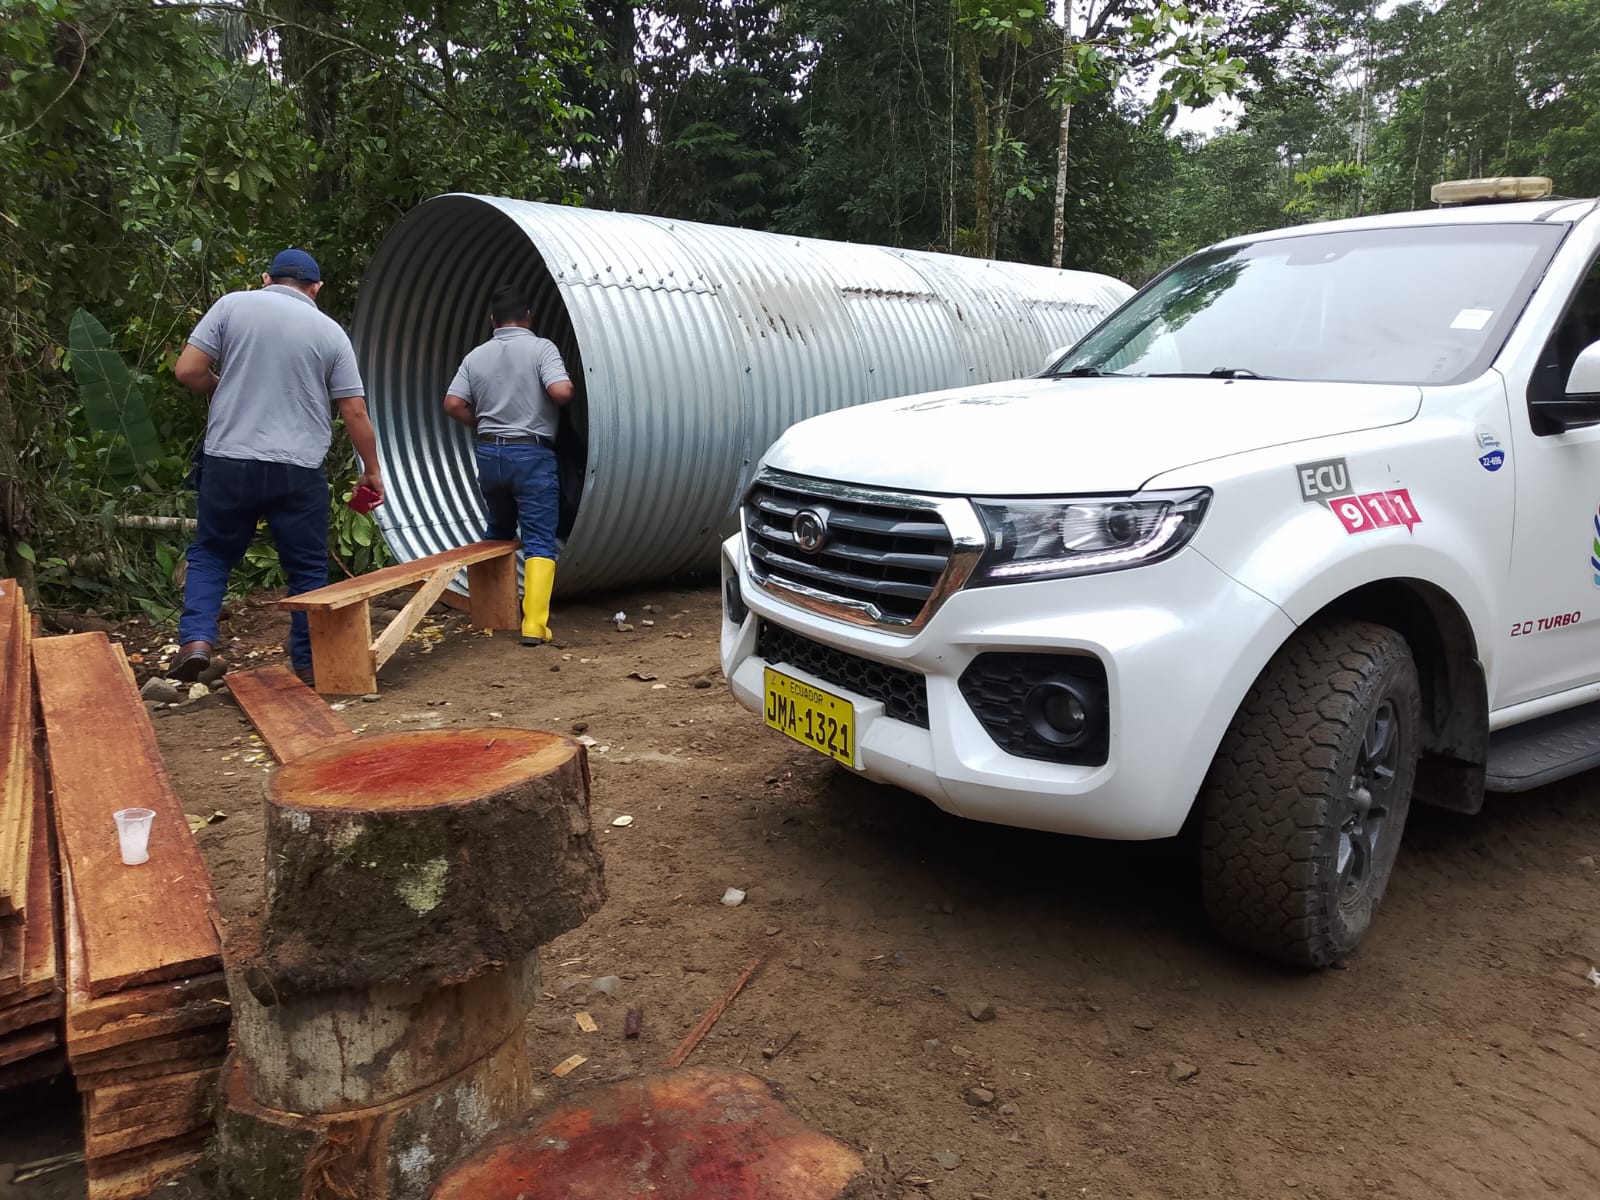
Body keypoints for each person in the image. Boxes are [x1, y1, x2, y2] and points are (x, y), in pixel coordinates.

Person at [171, 248, 384, 684]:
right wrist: (372, 470)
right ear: (315, 288)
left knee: (212, 553)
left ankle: (196, 641)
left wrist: (221, 386)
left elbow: (188, 370)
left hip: (230, 460)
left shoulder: (232, 305)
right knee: (306, 567)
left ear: (267, 279)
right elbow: (354, 410)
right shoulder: (330, 332)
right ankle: (307, 664)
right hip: (297, 469)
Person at [442, 285, 574, 645]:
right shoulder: (541, 348)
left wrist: (481, 424)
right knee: (539, 538)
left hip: (489, 455)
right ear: (528, 317)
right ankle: (534, 625)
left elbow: (452, 403)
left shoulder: (476, 356)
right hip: (531, 454)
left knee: (499, 529)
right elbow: (561, 391)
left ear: (492, 320)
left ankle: (492, 614)